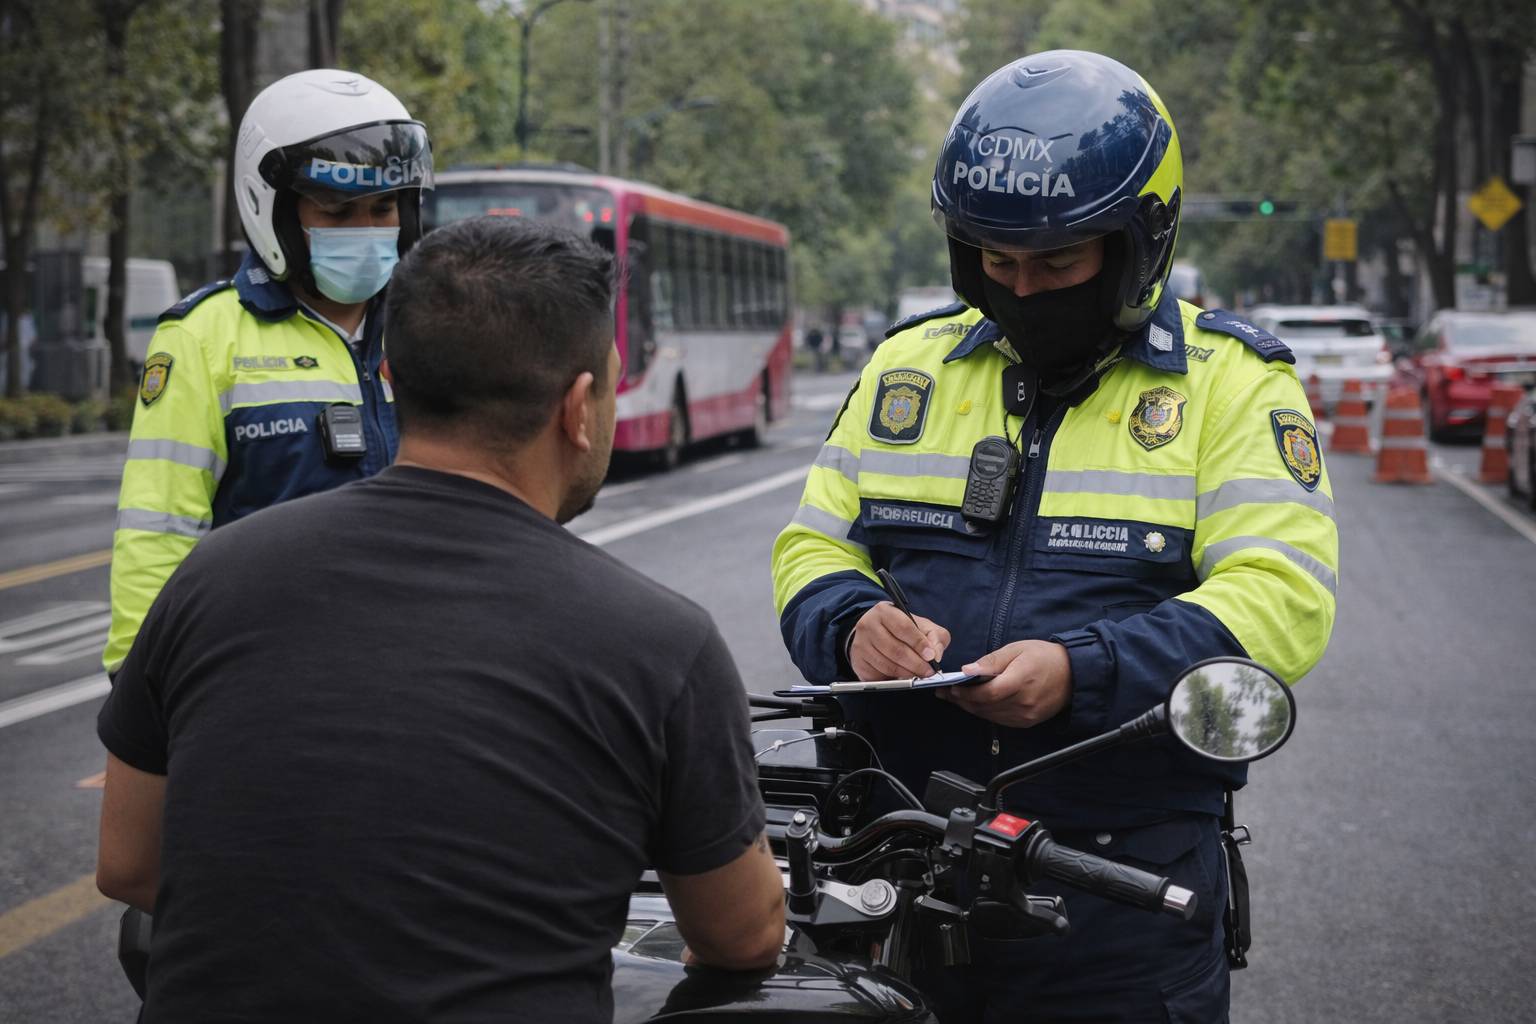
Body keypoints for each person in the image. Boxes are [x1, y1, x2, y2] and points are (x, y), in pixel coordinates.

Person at [96, 216, 786, 1021]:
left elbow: (128, 863)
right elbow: (743, 935)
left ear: (392, 375)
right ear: (580, 408)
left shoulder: (208, 579)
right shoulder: (661, 643)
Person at [771, 50, 1337, 1021]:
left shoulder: (1234, 384)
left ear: (1137, 243)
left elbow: (1282, 598)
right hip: (898, 857)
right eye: (997, 261)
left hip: (1118, 879)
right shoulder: (909, 371)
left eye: (1057, 263)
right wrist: (853, 621)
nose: (1024, 288)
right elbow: (811, 547)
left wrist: (1087, 668)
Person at [102, 68, 434, 676]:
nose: (366, 231)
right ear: (273, 209)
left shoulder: (432, 326)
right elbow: (157, 532)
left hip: (412, 673)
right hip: (267, 680)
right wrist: (138, 694)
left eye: (384, 207)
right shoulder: (203, 338)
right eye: (336, 213)